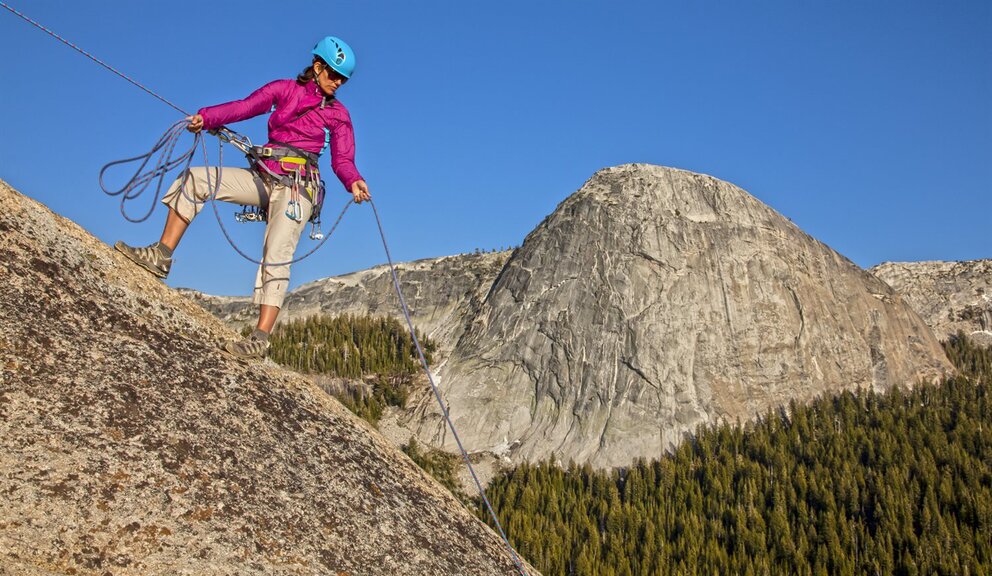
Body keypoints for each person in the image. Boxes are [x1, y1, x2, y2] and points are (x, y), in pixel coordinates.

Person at [115, 36, 370, 360]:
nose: (338, 81)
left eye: (342, 78)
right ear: (317, 67)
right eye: (333, 73)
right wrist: (207, 118)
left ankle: (260, 338)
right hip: (264, 179)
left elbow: (342, 159)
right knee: (195, 179)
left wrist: (354, 181)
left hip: (298, 189)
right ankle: (161, 256)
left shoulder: (338, 114)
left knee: (277, 249)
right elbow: (245, 107)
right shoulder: (284, 90)